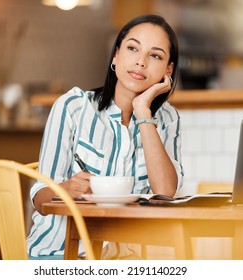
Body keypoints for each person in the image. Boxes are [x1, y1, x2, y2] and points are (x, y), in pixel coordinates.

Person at [27, 14, 184, 259]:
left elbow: (165, 192)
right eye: (133, 48)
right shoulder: (74, 107)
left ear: (168, 69)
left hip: (124, 259)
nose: (141, 62)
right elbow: (39, 198)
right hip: (59, 254)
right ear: (116, 55)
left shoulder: (167, 119)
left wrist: (143, 113)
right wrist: (66, 189)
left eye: (155, 55)